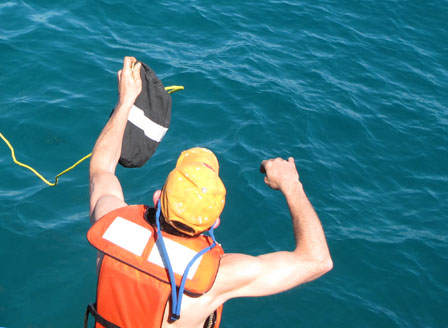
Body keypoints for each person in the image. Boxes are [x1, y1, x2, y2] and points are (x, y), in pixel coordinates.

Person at [87, 56, 333, 328]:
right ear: (215, 222)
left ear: (158, 196)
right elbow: (317, 260)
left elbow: (101, 169)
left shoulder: (111, 224)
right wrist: (291, 184)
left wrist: (126, 101)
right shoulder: (218, 278)